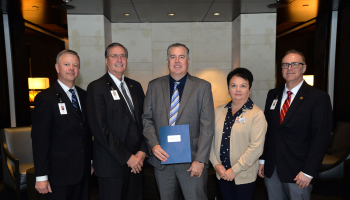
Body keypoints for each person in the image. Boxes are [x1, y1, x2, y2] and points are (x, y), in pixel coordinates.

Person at [143, 43, 214, 199]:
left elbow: (207, 127)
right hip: (162, 160)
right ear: (167, 61)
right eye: (173, 57)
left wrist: (200, 160)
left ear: (188, 60)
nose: (177, 61)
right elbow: (147, 119)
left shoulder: (202, 87)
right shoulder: (154, 86)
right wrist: (154, 145)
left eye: (181, 57)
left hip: (192, 162)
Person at [258, 49, 333, 200]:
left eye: (294, 64)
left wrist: (308, 171)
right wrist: (263, 159)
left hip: (299, 171)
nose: (289, 68)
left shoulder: (318, 97)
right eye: (285, 65)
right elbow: (268, 130)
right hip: (272, 169)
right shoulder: (273, 94)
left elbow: (321, 138)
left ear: (304, 68)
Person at [86, 43, 147, 200]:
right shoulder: (96, 87)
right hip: (111, 167)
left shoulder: (136, 86)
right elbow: (99, 129)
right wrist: (128, 157)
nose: (119, 59)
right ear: (107, 61)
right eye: (114, 56)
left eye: (123, 56)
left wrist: (141, 152)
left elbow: (145, 121)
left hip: (137, 166)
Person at [31, 49, 93, 199]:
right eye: (66, 64)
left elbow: (86, 132)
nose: (71, 68)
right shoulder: (45, 98)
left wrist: (90, 161)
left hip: (83, 171)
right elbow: (40, 140)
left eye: (75, 65)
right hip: (58, 175)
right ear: (57, 68)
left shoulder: (85, 95)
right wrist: (41, 176)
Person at [209, 68, 267, 200]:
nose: (238, 89)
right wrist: (216, 164)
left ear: (250, 89)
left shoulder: (256, 115)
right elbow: (210, 141)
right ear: (228, 89)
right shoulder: (218, 111)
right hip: (221, 173)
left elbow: (256, 148)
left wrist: (234, 170)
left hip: (243, 176)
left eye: (243, 86)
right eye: (233, 85)